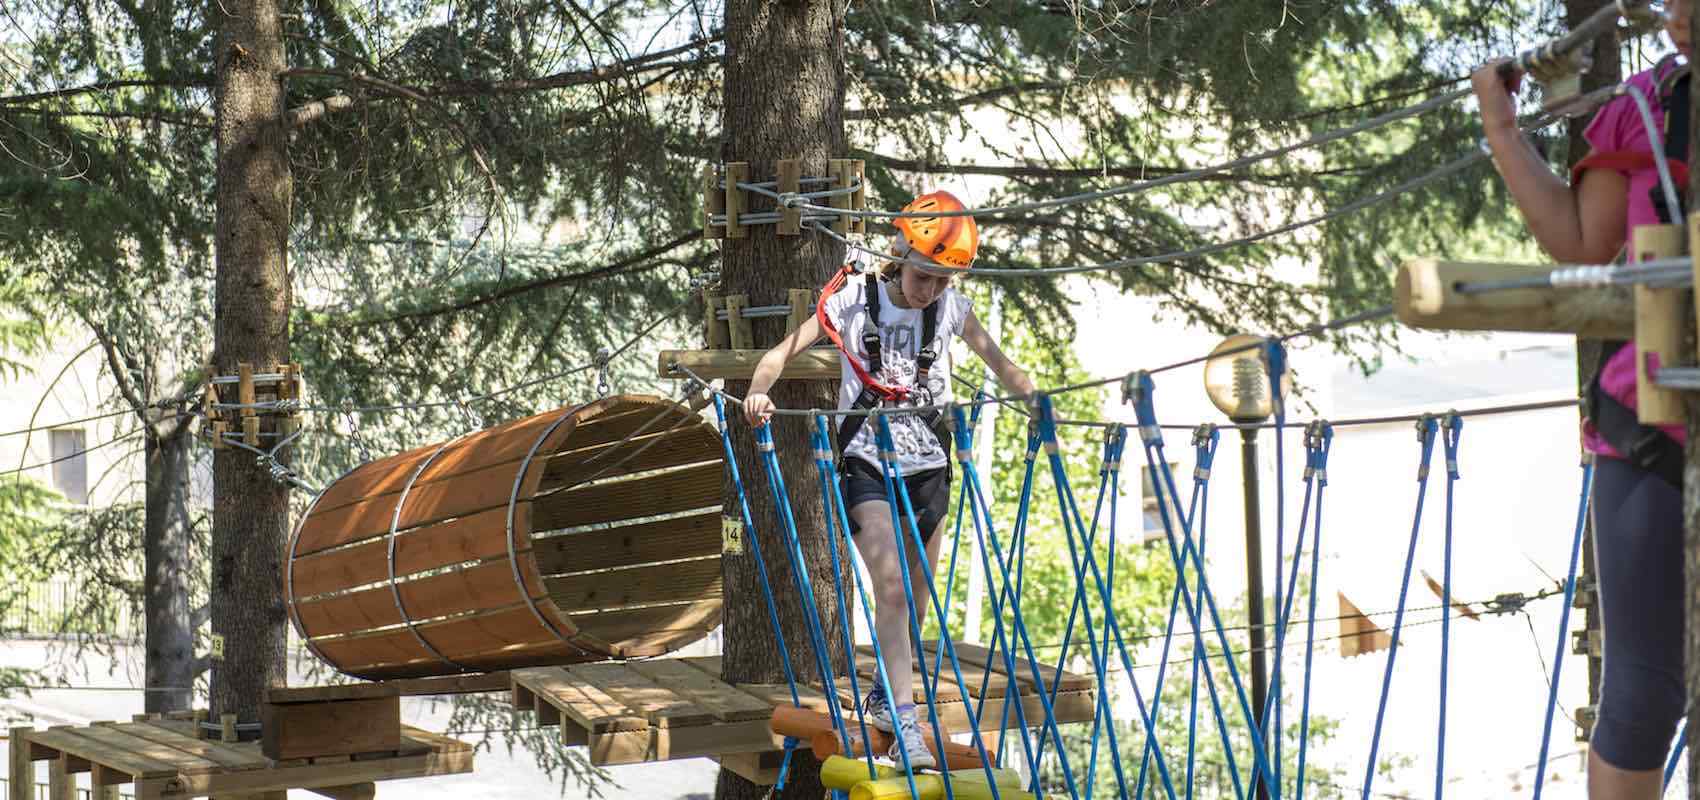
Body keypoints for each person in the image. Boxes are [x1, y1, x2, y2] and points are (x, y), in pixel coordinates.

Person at [1472, 4, 1689, 796]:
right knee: (1641, 695)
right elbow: (1582, 242)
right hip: (1650, 434)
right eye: (1675, 5)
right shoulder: (1648, 105)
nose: (1678, 20)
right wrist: (1504, 129)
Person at [743, 190, 1036, 770]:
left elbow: (1003, 366)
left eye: (940, 282)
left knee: (916, 599)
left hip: (929, 464)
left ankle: (883, 698)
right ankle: (905, 720)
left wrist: (1036, 400)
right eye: (923, 275)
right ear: (901, 253)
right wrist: (758, 390)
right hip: (867, 463)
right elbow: (780, 354)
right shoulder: (855, 297)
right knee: (893, 589)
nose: (928, 290)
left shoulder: (951, 310)